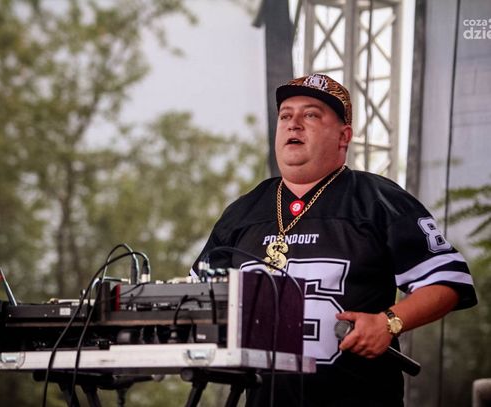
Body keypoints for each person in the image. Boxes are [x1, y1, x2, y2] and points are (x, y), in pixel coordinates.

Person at [191, 73, 478, 406]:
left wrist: (389, 322)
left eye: (311, 115)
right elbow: (194, 300)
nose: (294, 124)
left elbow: (447, 281)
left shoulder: (378, 200)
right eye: (285, 115)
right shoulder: (243, 211)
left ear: (344, 137)